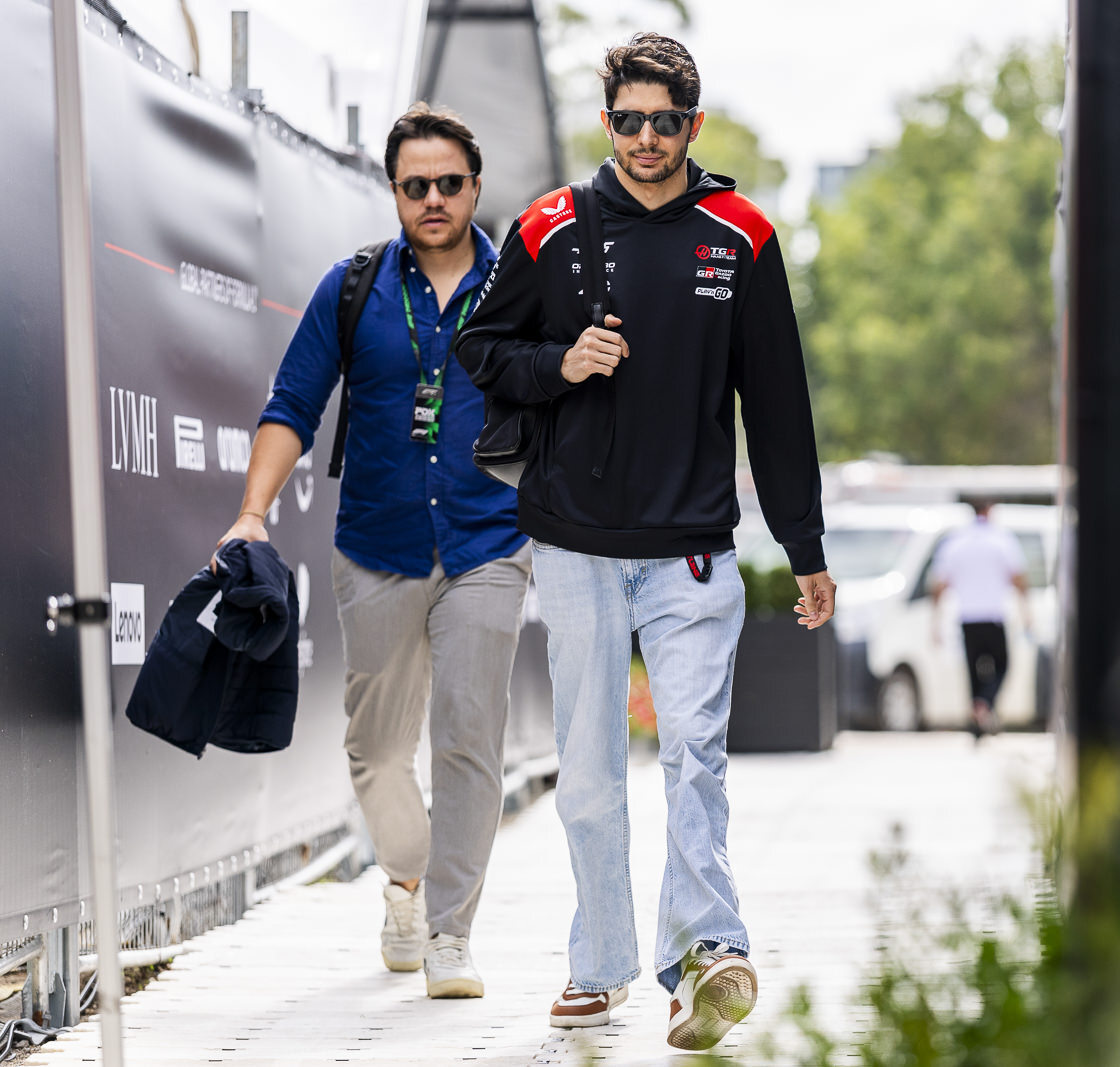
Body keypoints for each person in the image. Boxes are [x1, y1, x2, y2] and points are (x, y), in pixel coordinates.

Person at [454, 32, 834, 1052]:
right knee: (587, 770)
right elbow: (480, 348)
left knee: (694, 756)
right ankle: (599, 965)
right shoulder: (548, 227)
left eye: (666, 121)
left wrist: (803, 547)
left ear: (692, 124)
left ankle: (706, 953)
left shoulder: (742, 235)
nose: (648, 138)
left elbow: (779, 405)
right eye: (630, 120)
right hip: (574, 544)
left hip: (694, 549)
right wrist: (561, 362)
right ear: (608, 121)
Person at [215, 104, 529, 999]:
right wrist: (251, 512)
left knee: (468, 736)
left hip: (488, 541)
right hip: (377, 545)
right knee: (378, 750)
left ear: (475, 186)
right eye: (414, 184)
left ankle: (450, 934)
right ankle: (406, 880)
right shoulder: (351, 287)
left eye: (449, 183)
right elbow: (292, 404)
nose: (433, 198)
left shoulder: (521, 287)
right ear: (393, 191)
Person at [930, 501, 1029, 737]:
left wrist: (935, 621)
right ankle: (984, 703)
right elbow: (1018, 577)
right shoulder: (1001, 540)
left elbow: (939, 584)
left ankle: (977, 717)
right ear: (989, 511)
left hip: (967, 616)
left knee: (973, 670)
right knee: (1002, 665)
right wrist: (1026, 610)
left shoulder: (956, 541)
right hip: (993, 615)